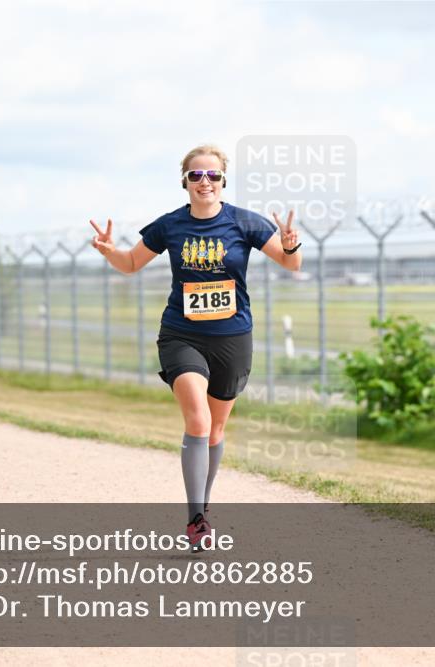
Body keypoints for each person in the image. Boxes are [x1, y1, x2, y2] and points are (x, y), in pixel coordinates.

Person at [89, 144, 302, 551]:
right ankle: (196, 520)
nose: (205, 182)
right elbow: (132, 264)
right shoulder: (170, 226)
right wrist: (109, 251)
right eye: (196, 175)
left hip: (233, 338)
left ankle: (204, 504)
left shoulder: (244, 223)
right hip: (181, 336)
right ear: (184, 181)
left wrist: (290, 245)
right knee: (199, 423)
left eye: (213, 176)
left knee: (217, 429)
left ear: (223, 181)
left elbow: (291, 265)